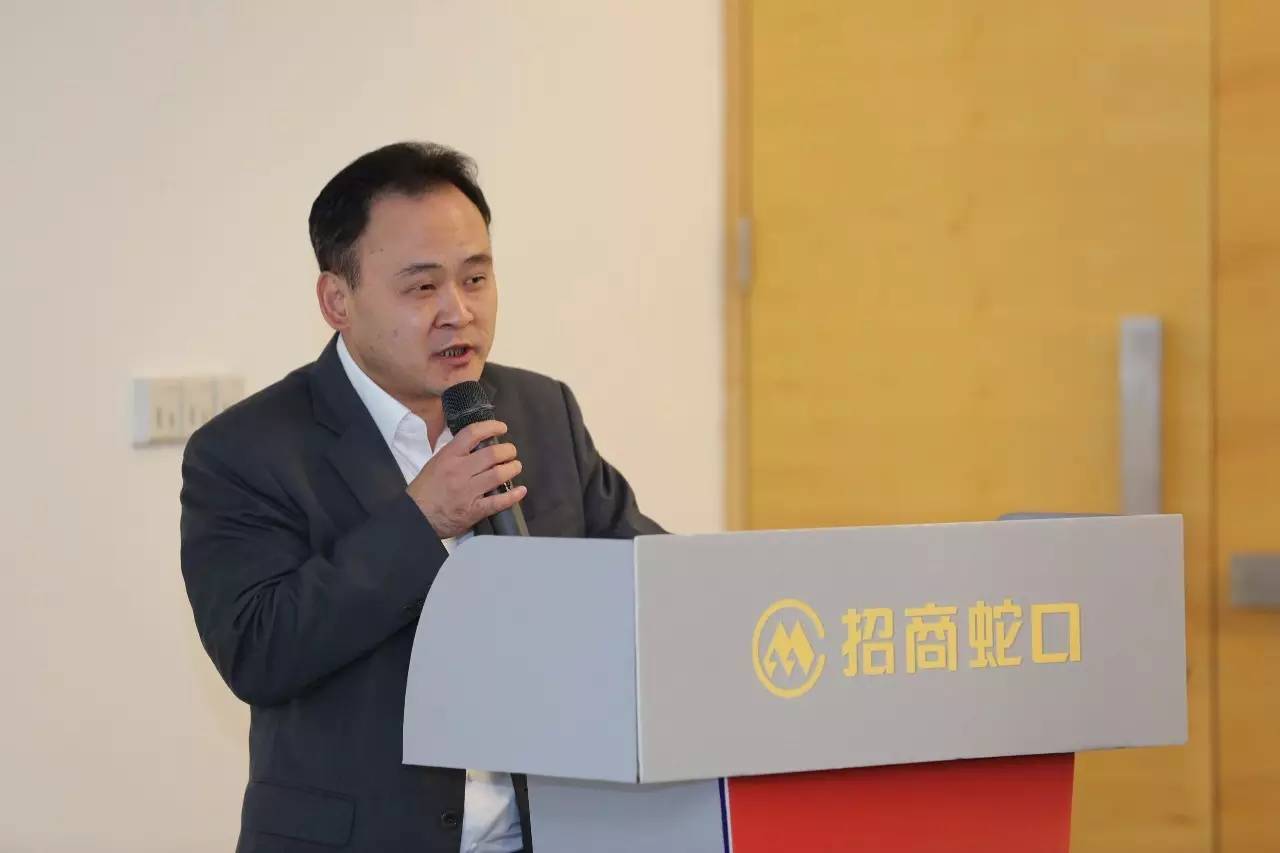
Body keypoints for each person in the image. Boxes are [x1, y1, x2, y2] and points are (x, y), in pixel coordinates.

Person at [179, 141, 663, 853]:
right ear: (337, 300)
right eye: (422, 287)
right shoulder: (247, 449)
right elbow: (258, 650)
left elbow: (646, 585)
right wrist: (421, 520)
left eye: (476, 278)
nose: (458, 312)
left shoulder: (542, 411)